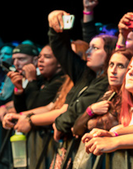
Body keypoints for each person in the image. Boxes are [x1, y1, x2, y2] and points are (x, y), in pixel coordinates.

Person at [46, 10, 117, 140]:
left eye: (95, 48)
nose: (88, 52)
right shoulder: (86, 73)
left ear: (110, 53)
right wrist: (54, 27)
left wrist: (59, 123)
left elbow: (80, 107)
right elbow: (62, 51)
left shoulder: (109, 80)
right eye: (89, 47)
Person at [81, 52, 133, 154]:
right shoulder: (126, 112)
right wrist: (112, 133)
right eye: (129, 68)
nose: (130, 72)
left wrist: (114, 137)